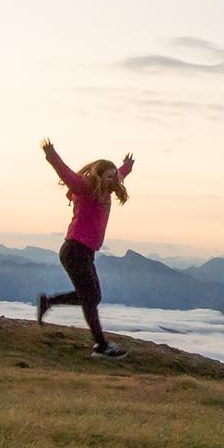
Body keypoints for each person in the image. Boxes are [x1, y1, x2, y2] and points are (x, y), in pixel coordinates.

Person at [37, 138, 135, 358]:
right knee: (90, 298)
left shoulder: (108, 189)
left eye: (114, 176)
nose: (113, 179)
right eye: (108, 176)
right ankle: (101, 346)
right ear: (98, 176)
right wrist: (52, 156)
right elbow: (67, 174)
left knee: (93, 296)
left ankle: (49, 301)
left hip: (84, 252)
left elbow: (120, 175)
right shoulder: (84, 187)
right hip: (74, 250)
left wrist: (126, 166)